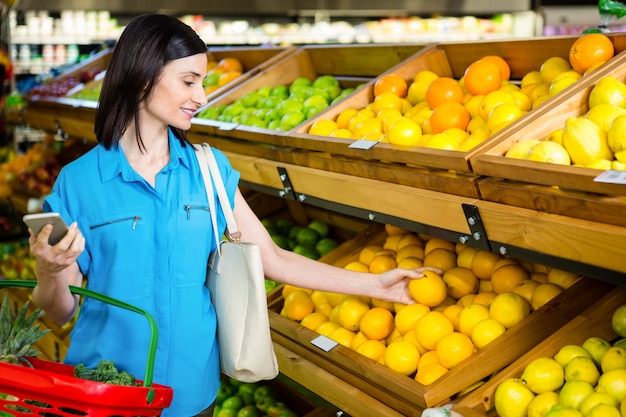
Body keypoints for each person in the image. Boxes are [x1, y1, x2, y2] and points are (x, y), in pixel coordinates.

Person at [27, 14, 438, 417]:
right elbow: (60, 310)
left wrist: (375, 285)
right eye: (189, 81)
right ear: (142, 76)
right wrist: (49, 271)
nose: (201, 97)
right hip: (104, 392)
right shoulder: (79, 182)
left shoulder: (209, 170)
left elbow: (273, 259)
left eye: (202, 82)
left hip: (189, 391)